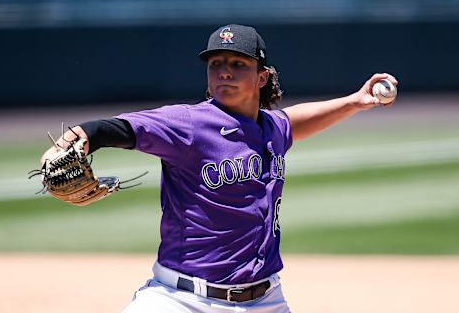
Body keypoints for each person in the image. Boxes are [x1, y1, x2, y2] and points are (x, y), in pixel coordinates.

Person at [40, 24, 397, 312]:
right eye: (216, 64)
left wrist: (354, 102)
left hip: (266, 301)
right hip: (181, 300)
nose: (225, 72)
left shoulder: (271, 128)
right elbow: (121, 128)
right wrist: (79, 136)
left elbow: (293, 121)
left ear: (261, 77)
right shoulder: (189, 124)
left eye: (238, 64)